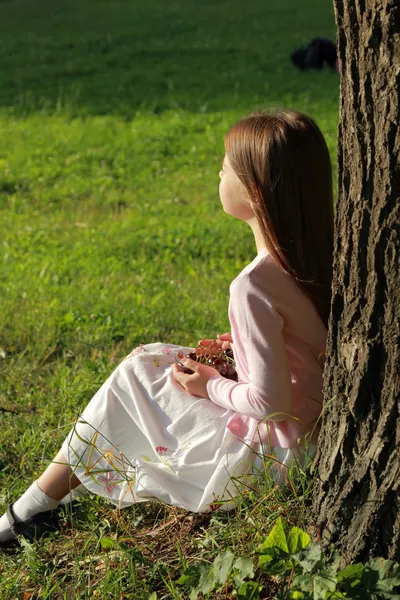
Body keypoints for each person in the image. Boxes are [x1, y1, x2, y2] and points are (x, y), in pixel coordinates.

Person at [0, 110, 334, 547]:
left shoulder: (252, 285)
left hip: (272, 456)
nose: (219, 170)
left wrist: (211, 384)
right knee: (151, 362)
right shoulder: (320, 253)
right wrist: (241, 354)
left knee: (135, 378)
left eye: (227, 164)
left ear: (254, 192)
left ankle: (28, 511)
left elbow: (270, 400)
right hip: (316, 433)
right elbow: (301, 347)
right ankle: (45, 498)